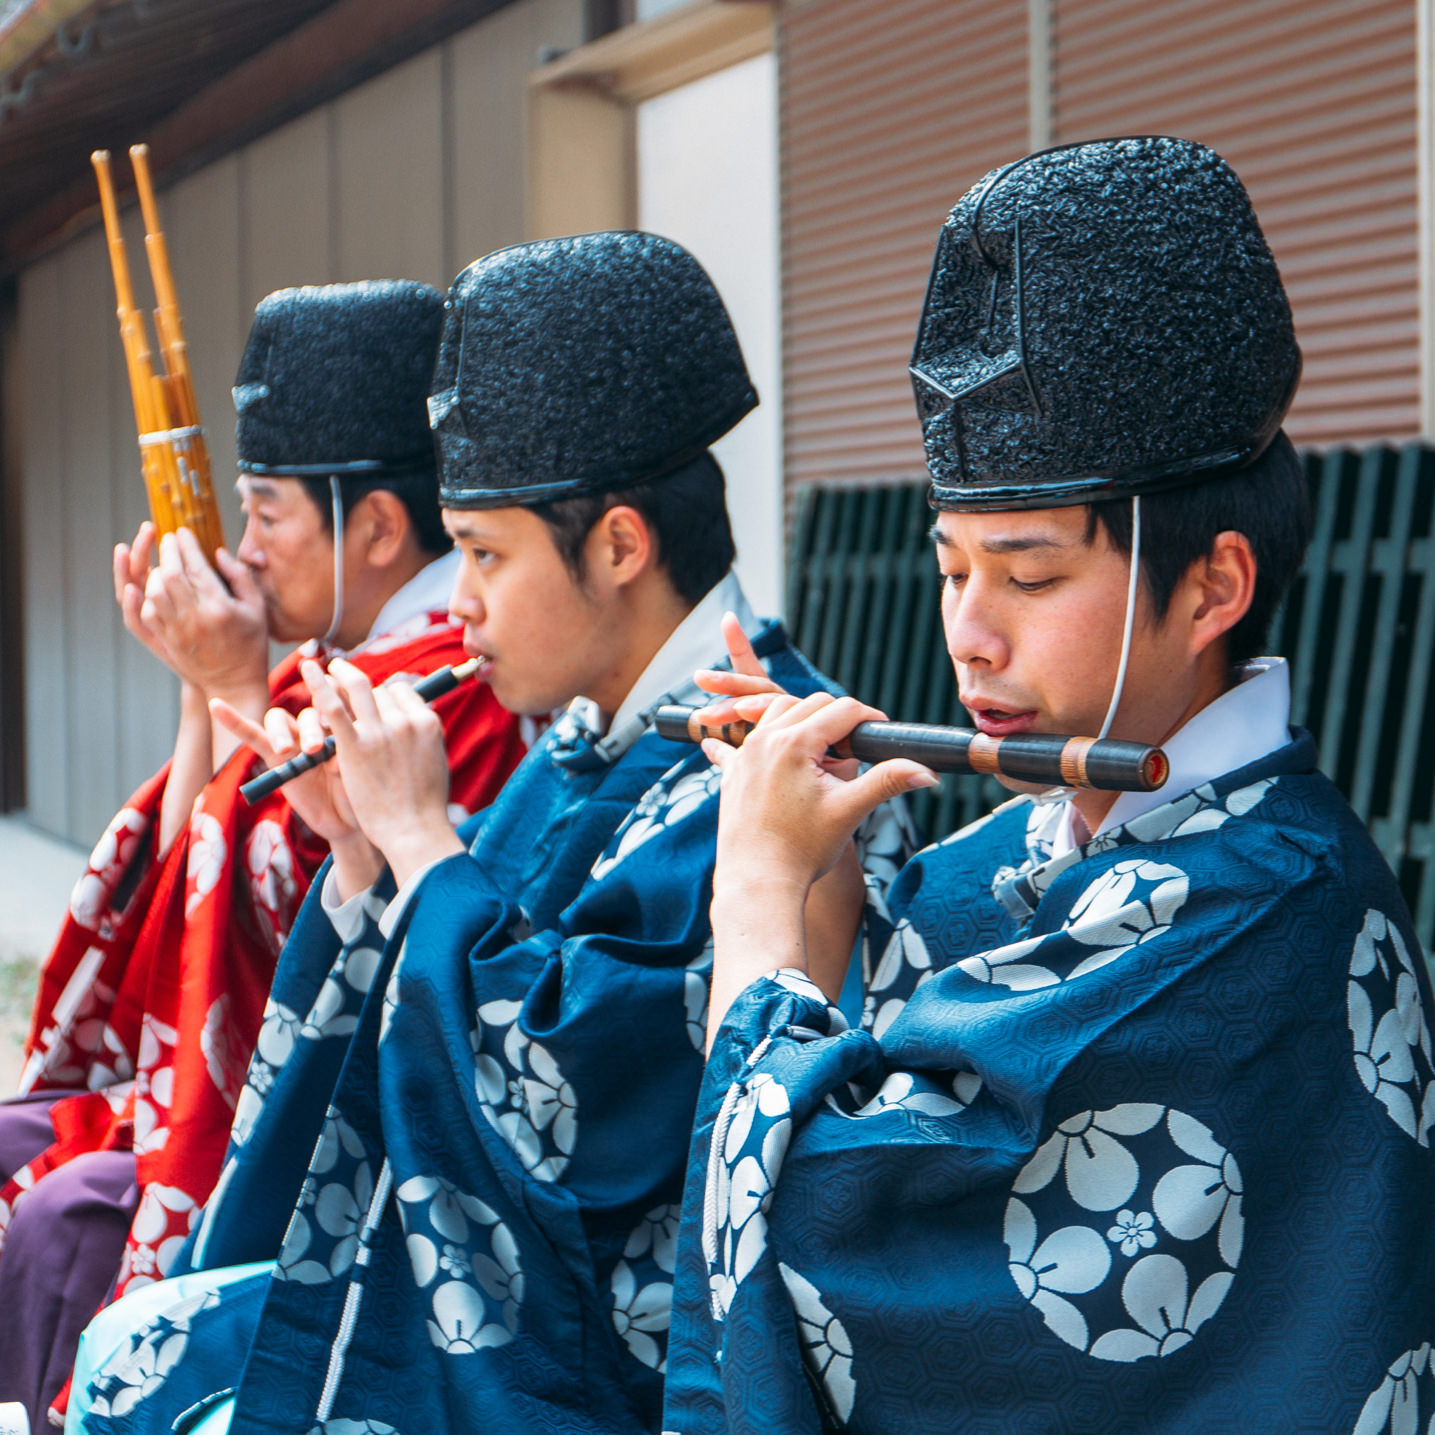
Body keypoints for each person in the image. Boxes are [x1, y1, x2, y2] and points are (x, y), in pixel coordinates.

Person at [67, 231, 908, 1435]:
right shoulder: (589, 739)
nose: (457, 602)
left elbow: (579, 1109)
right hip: (490, 1297)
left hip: (610, 1357)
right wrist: (362, 855)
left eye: (482, 554)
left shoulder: (771, 763)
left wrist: (421, 845)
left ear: (620, 545)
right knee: (143, 1339)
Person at [661, 136, 1435, 1434]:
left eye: (1025, 577)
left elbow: (817, 1222)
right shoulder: (1013, 851)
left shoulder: (1261, 911)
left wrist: (749, 893)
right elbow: (887, 1091)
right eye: (949, 565)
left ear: (1212, 586)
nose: (967, 630)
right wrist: (823, 879)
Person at [0, 281, 529, 1430]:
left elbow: (278, 922)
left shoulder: (458, 687)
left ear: (381, 528)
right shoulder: (358, 656)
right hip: (228, 1081)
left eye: (266, 512)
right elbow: (188, 895)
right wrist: (212, 690)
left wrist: (233, 687)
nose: (243, 549)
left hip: (317, 1114)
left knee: (54, 1217)